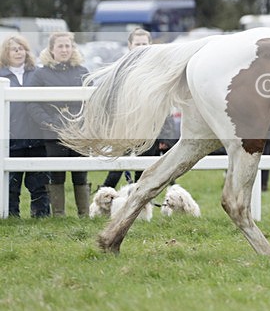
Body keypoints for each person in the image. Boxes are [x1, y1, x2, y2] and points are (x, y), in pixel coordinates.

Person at [99, 28, 177, 189]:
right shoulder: (120, 69)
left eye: (144, 44)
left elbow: (165, 104)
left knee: (145, 169)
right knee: (116, 169)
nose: (141, 47)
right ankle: (103, 198)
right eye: (137, 44)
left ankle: (142, 200)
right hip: (125, 127)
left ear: (150, 44)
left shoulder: (158, 70)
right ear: (130, 45)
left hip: (150, 128)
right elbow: (112, 99)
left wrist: (166, 137)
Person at [27, 31, 91, 217]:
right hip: (52, 131)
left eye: (67, 46)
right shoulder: (41, 74)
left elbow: (91, 101)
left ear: (73, 48)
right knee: (56, 174)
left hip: (78, 131)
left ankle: (84, 214)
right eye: (60, 46)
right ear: (51, 49)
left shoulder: (82, 72)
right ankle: (59, 215)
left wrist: (80, 121)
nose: (64, 50)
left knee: (80, 174)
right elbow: (32, 103)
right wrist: (47, 122)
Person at [1, 35, 50, 217]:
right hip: (11, 138)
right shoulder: (1, 75)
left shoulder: (38, 73)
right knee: (11, 184)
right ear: (5, 53)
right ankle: (11, 216)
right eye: (14, 49)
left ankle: (41, 216)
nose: (18, 52)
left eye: (21, 48)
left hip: (37, 137)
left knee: (39, 183)